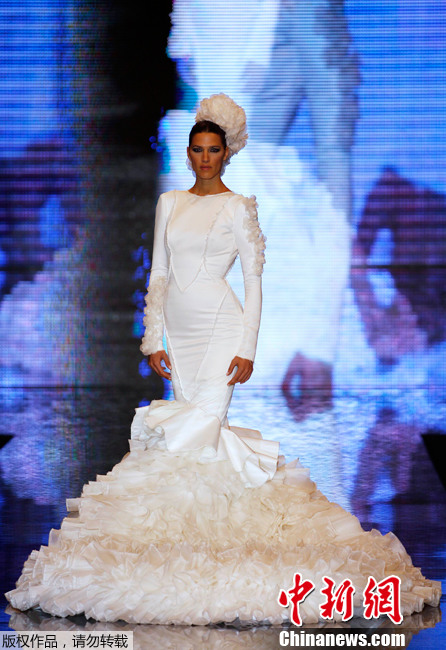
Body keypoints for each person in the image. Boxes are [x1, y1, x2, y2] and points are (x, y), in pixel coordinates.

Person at [6, 94, 440, 625]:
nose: (204, 158)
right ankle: (183, 539)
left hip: (220, 326)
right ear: (188, 153)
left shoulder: (239, 207)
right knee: (188, 443)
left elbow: (254, 284)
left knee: (198, 434)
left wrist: (248, 347)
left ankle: (212, 553)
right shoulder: (170, 203)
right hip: (180, 332)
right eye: (197, 149)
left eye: (213, 150)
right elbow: (159, 274)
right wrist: (152, 338)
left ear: (226, 153)